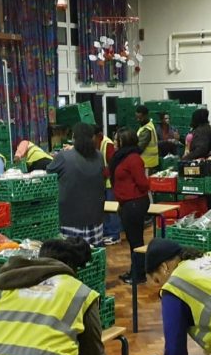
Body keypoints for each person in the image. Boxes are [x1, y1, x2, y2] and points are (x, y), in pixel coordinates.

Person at [47, 122, 106, 247]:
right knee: (93, 256)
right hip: (95, 219)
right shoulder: (99, 156)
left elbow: (49, 173)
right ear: (93, 137)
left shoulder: (64, 156)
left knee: (72, 257)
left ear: (73, 137)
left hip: (70, 219)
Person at [109, 127, 150, 285]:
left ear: (124, 140)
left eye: (117, 139)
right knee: (133, 241)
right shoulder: (121, 157)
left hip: (134, 204)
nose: (114, 142)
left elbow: (142, 183)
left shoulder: (133, 158)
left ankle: (139, 274)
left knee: (135, 241)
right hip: (127, 203)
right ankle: (136, 270)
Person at [96, 126, 122, 245]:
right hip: (102, 183)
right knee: (105, 209)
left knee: (112, 210)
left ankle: (115, 234)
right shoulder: (97, 144)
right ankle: (107, 232)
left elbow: (113, 164)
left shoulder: (107, 144)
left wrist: (105, 172)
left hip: (110, 183)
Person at [135, 104, 159, 172]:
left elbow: (139, 148)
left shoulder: (147, 130)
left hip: (147, 164)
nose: (138, 120)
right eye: (136, 117)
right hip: (150, 162)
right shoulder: (148, 125)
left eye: (140, 118)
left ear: (146, 115)